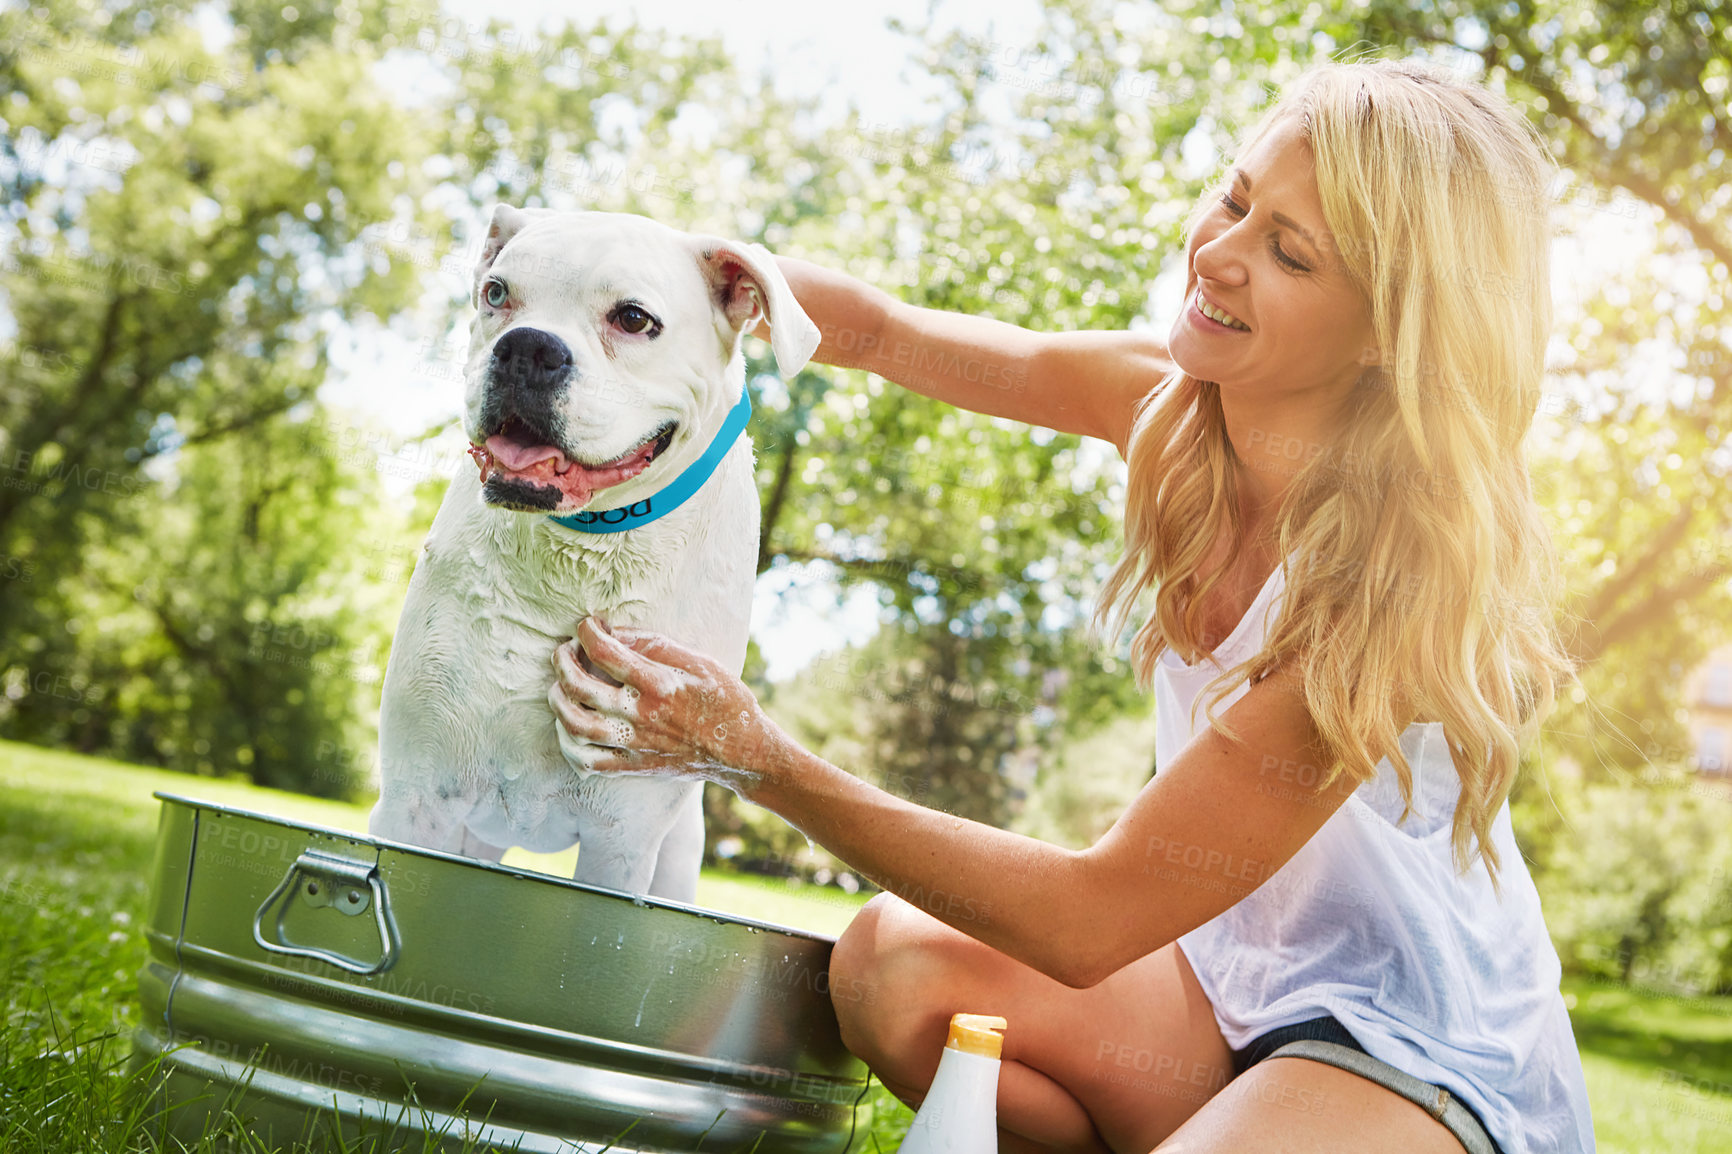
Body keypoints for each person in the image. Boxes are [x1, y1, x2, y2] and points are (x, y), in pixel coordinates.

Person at [546, 57, 1596, 1154]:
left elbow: (1087, 919)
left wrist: (755, 754)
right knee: (892, 967)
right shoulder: (1166, 411)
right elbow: (881, 331)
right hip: (1219, 999)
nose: (1220, 257)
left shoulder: (1385, 591)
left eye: (1289, 253)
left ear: (1390, 329)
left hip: (1406, 1056)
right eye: (1235, 200)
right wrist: (657, 277)